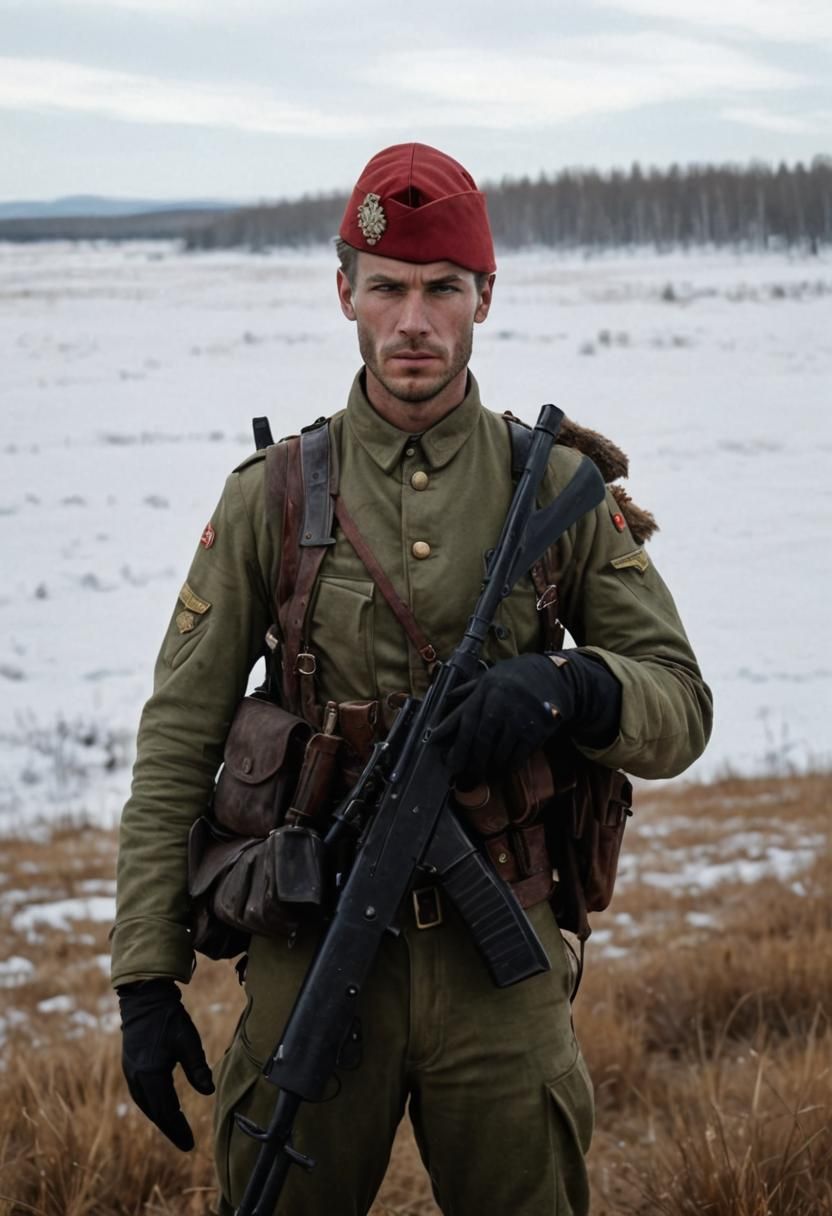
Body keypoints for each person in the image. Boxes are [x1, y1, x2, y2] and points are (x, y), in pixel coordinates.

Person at [112, 142, 712, 1216]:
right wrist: (144, 976)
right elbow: (178, 739)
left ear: (486, 295)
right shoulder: (271, 497)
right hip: (314, 941)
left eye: (442, 289)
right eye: (387, 288)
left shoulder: (556, 487)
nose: (414, 322)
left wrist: (573, 687)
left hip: (500, 965)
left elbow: (680, 703)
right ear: (344, 291)